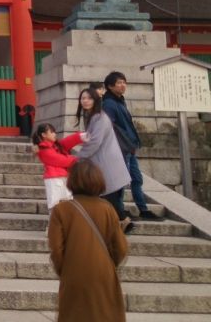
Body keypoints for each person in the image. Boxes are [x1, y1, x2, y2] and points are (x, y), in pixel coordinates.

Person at [48, 160, 128, 322]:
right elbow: (121, 247)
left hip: (73, 273)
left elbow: (56, 249)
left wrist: (65, 270)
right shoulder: (108, 209)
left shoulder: (61, 210)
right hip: (104, 273)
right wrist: (108, 264)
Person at [103, 71, 163, 221]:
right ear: (110, 86)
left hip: (129, 147)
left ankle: (143, 209)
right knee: (121, 181)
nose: (123, 85)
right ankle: (120, 211)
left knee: (136, 178)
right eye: (119, 82)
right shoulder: (109, 103)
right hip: (121, 149)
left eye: (124, 82)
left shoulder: (119, 101)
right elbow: (108, 127)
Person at [75, 87, 134, 233]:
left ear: (95, 100)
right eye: (83, 98)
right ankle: (119, 221)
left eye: (89, 98)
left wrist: (78, 157)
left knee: (108, 194)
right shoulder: (93, 116)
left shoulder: (99, 117)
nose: (85, 101)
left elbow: (95, 142)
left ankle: (123, 221)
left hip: (107, 163)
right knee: (107, 194)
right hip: (103, 162)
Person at [31, 123, 86, 212]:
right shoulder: (43, 150)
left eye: (54, 132)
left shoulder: (54, 146)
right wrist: (79, 158)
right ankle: (54, 225)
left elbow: (67, 142)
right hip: (54, 180)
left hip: (62, 178)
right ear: (44, 135)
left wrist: (80, 137)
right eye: (51, 132)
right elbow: (61, 160)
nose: (54, 134)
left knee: (68, 205)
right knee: (56, 206)